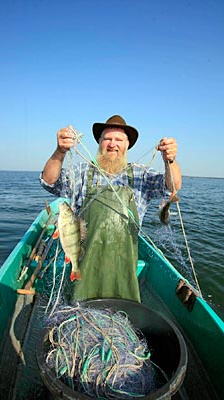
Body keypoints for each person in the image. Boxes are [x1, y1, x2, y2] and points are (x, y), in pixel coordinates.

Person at [40, 115, 182, 303]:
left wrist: (169, 161)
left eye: (119, 140)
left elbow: (172, 187)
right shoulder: (82, 171)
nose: (112, 144)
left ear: (127, 145)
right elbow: (49, 182)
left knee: (124, 306)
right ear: (99, 142)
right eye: (107, 138)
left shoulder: (141, 174)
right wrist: (60, 152)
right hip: (85, 262)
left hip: (124, 266)